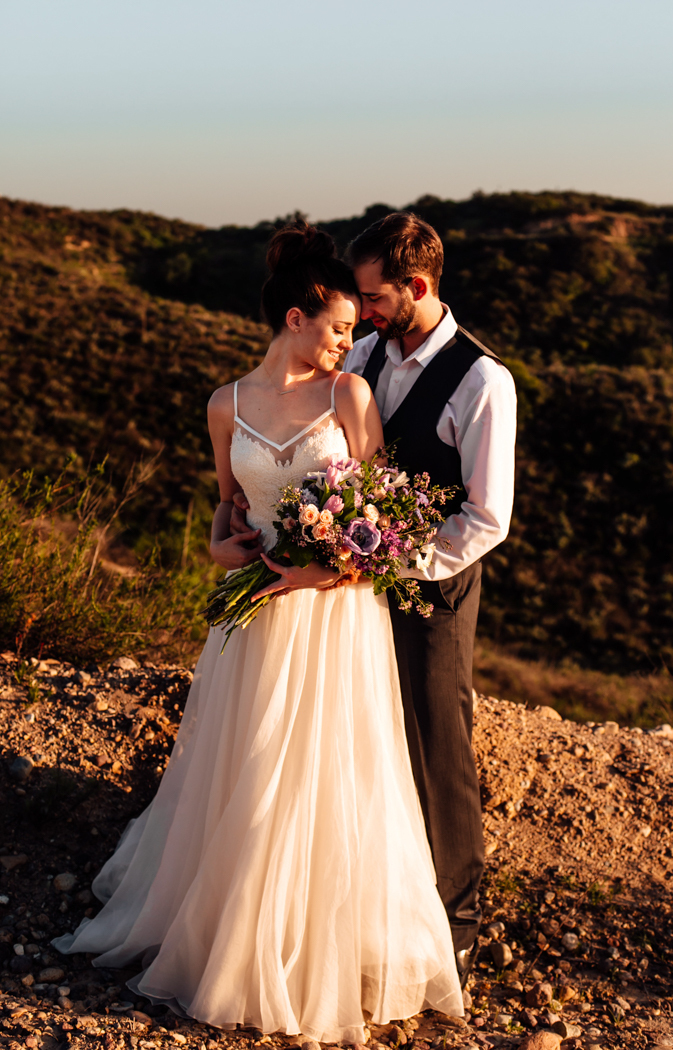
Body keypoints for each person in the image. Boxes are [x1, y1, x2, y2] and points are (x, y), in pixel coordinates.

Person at [52, 220, 463, 1043]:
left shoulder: (349, 397)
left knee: (321, 772)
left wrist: (324, 570)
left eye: (356, 327)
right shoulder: (224, 405)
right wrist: (215, 543)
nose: (352, 344)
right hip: (256, 611)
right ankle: (234, 933)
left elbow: (377, 521)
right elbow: (227, 503)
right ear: (295, 319)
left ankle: (312, 942)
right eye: (340, 328)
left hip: (334, 616)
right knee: (249, 763)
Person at [342, 212, 517, 983]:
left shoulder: (483, 380)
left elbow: (486, 516)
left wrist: (391, 559)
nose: (363, 308)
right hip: (353, 589)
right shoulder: (362, 351)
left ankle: (459, 922)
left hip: (434, 593)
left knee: (438, 744)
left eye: (375, 296)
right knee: (369, 737)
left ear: (418, 286)